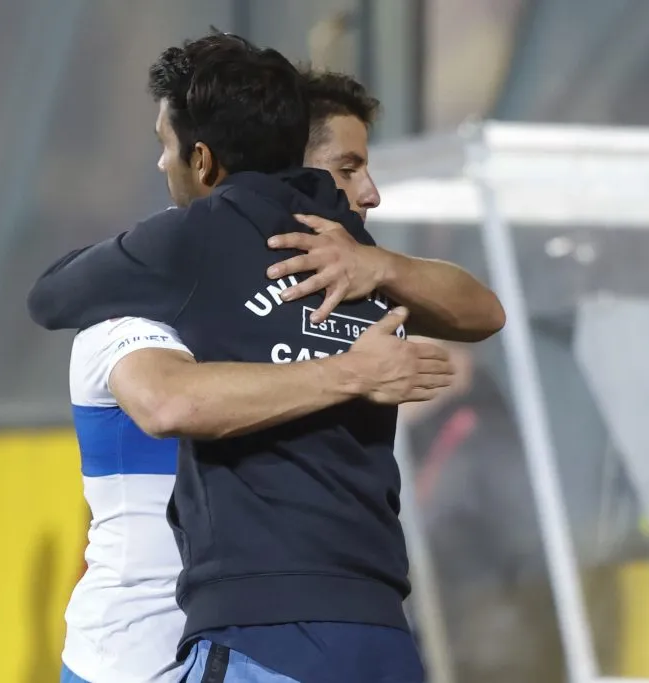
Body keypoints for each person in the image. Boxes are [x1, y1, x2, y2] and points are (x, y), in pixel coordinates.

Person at [29, 32, 504, 683]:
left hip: (291, 627)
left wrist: (381, 267)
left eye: (165, 146)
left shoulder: (345, 261)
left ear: (204, 159)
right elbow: (167, 398)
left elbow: (484, 311)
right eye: (345, 169)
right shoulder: (148, 294)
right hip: (141, 656)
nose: (367, 193)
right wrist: (350, 371)